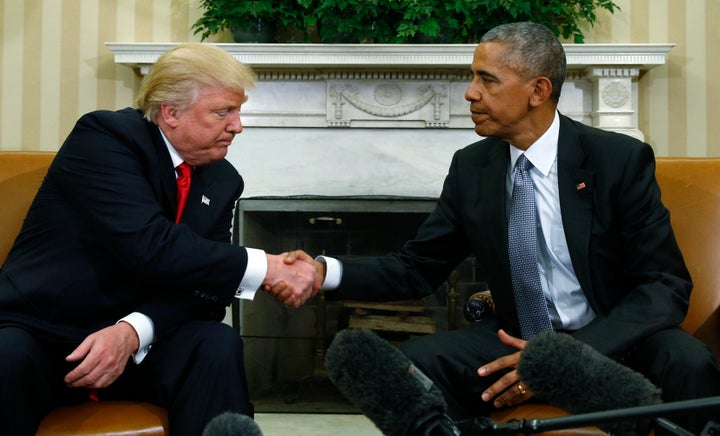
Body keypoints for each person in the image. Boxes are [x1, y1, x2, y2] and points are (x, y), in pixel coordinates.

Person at [277, 22, 720, 432]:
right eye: (473, 77)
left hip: (614, 338)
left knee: (689, 363)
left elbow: (664, 285)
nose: (470, 93)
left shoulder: (616, 160)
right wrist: (323, 272)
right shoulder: (473, 168)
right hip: (516, 338)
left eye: (487, 80)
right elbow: (417, 267)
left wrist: (564, 360)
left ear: (538, 90)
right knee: (415, 366)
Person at [0, 43, 318, 436]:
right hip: (46, 333)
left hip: (137, 347)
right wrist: (265, 266)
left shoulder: (222, 179)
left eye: (237, 111)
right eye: (223, 112)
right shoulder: (105, 139)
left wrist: (133, 332)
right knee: (5, 355)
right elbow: (151, 246)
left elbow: (207, 293)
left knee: (215, 344)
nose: (237, 125)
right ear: (171, 112)